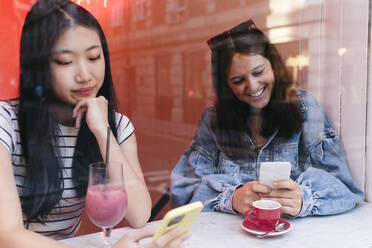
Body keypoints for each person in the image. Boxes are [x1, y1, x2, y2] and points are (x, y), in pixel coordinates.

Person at [0, 0, 189, 247]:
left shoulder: (117, 126)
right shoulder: (6, 122)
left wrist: (103, 132)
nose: (85, 75)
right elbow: (7, 235)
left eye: (93, 57)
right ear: (39, 69)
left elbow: (139, 214)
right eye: (66, 62)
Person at [171, 20, 364, 217]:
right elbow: (182, 193)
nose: (253, 86)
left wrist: (304, 198)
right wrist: (231, 197)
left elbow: (346, 189)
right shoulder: (212, 121)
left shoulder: (304, 108)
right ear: (226, 86)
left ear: (274, 66)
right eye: (238, 80)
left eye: (258, 72)